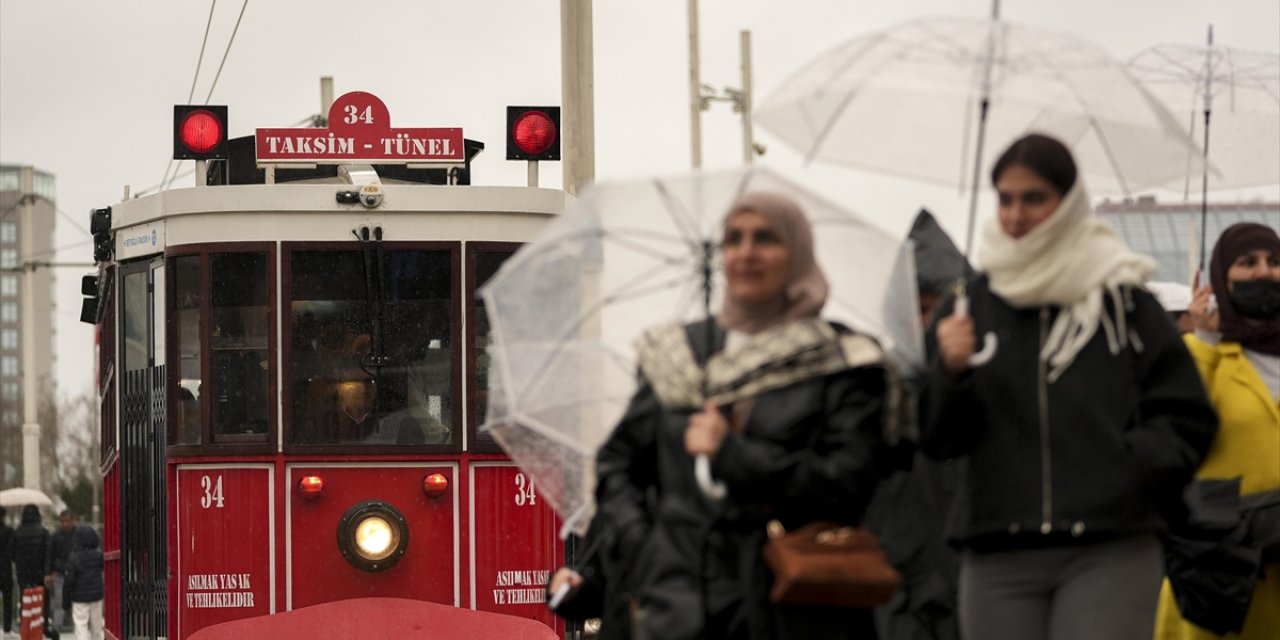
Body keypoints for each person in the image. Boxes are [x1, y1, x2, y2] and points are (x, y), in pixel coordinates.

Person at [549, 192, 898, 639]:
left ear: (797, 253)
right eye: (734, 239)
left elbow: (850, 481)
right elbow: (619, 465)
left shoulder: (843, 361)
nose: (747, 252)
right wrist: (643, 546)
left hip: (793, 605)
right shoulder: (679, 358)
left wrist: (734, 454)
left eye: (765, 238)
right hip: (677, 604)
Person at [922, 133, 1217, 640]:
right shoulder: (969, 308)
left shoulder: (1123, 303)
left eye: (1033, 197)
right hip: (997, 550)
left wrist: (1128, 467)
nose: (1016, 214)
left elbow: (1187, 418)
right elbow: (937, 439)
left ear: (1067, 202)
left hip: (1110, 547)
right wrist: (950, 374)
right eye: (1006, 198)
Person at [1153, 222, 1280, 640]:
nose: (1264, 272)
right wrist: (1206, 339)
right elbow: (1181, 423)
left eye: (1275, 262)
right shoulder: (1198, 354)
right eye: (1248, 262)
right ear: (1220, 278)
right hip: (1223, 568)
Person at [862, 210, 961, 640]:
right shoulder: (871, 388)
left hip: (968, 578)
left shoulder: (983, 386)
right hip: (896, 585)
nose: (928, 323)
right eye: (918, 309)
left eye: (938, 309)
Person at [11, 506, 52, 639]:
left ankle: (26, 626)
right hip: (40, 572)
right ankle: (42, 626)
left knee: (25, 599)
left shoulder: (17, 532)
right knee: (42, 599)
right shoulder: (43, 532)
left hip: (23, 572)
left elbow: (11, 553)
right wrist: (46, 571)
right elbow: (48, 554)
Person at [62, 526, 104, 640]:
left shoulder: (74, 557)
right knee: (97, 626)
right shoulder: (98, 555)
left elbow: (69, 580)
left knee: (81, 626)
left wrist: (66, 601)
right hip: (96, 595)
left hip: (79, 597)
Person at [47, 511, 76, 633]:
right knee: (60, 602)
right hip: (61, 573)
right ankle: (57, 627)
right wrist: (49, 572)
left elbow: (50, 556)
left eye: (67, 521)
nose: (65, 524)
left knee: (71, 602)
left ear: (73, 521)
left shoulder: (77, 535)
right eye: (63, 521)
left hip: (73, 572)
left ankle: (76, 626)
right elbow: (50, 555)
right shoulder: (55, 536)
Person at [0, 507, 15, 639]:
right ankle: (7, 628)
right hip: (5, 569)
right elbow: (12, 551)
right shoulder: (9, 531)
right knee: (8, 600)